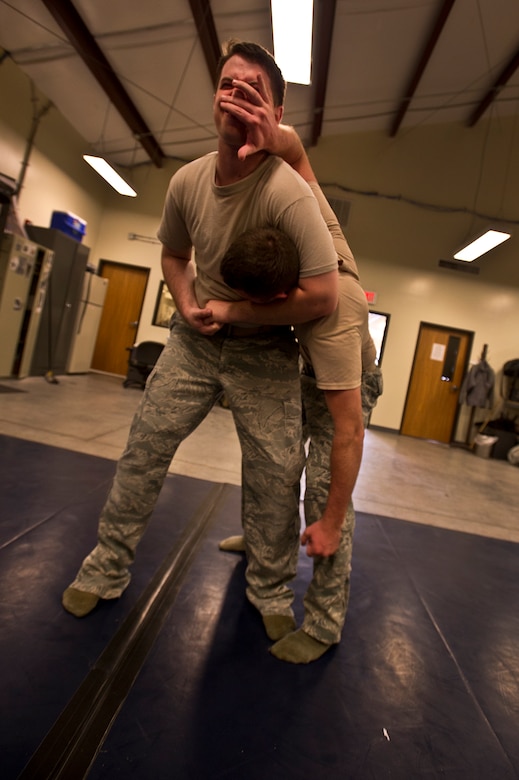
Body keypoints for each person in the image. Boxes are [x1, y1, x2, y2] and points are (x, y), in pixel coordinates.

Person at [61, 40, 339, 646]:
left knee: (273, 475)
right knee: (144, 447)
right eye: (227, 83)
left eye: (252, 90)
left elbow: (325, 296)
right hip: (194, 339)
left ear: (273, 112)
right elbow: (171, 253)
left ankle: (267, 588)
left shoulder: (286, 192)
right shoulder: (188, 181)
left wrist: (238, 309)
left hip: (264, 345)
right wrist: (186, 304)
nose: (235, 94)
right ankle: (107, 565)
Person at [211, 101, 382, 662]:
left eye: (261, 307)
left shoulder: (333, 325)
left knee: (324, 489)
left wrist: (329, 523)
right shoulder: (312, 225)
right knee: (273, 460)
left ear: (286, 298)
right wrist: (269, 134)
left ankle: (326, 622)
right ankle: (267, 544)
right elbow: (299, 156)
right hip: (301, 361)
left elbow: (350, 434)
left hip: (345, 381)